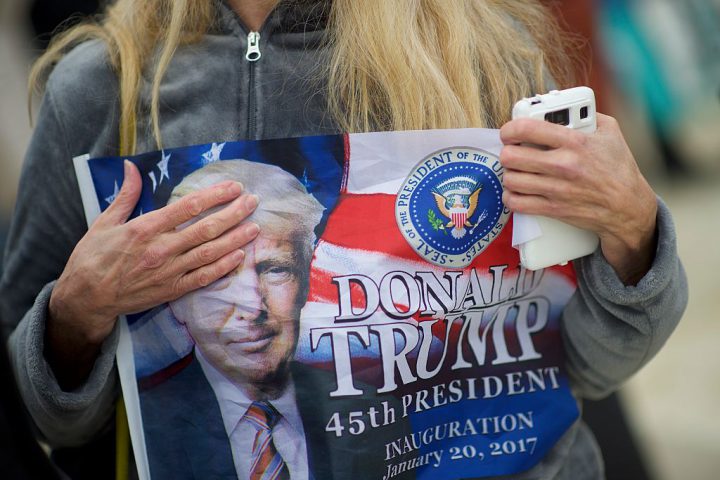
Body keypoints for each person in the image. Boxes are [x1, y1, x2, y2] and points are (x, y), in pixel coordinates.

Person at [0, 1, 687, 479]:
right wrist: (75, 316)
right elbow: (39, 419)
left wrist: (634, 231)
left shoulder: (484, 55)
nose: (254, 305)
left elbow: (592, 367)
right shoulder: (100, 87)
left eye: (274, 271)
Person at [137, 159, 409, 479]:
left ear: (306, 280)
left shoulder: (376, 416)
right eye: (220, 273)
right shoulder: (141, 423)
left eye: (276, 269)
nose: (253, 306)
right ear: (177, 300)